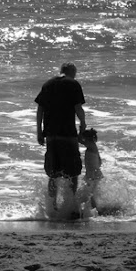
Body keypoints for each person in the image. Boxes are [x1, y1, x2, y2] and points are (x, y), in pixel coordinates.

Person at [35, 62, 86, 208]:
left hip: (51, 135)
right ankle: (70, 206)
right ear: (72, 72)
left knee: (53, 174)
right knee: (73, 172)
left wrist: (39, 131)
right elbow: (78, 108)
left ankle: (52, 207)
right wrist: (83, 124)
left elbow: (40, 110)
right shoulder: (73, 84)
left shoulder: (48, 84)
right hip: (68, 134)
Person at [79, 128, 103, 209]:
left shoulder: (92, 146)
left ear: (89, 139)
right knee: (91, 192)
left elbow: (80, 140)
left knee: (90, 193)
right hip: (94, 172)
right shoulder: (93, 147)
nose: (84, 141)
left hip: (93, 174)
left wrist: (81, 129)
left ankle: (94, 209)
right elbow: (100, 161)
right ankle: (94, 208)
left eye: (85, 139)